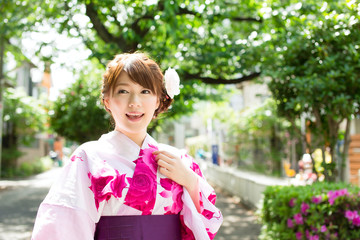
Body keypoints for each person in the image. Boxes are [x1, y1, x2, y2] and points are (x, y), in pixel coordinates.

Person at [31, 52, 223, 240]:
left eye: (145, 91)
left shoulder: (180, 161)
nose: (134, 102)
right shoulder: (88, 157)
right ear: (107, 100)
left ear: (158, 100)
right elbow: (65, 226)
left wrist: (190, 182)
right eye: (123, 91)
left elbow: (203, 226)